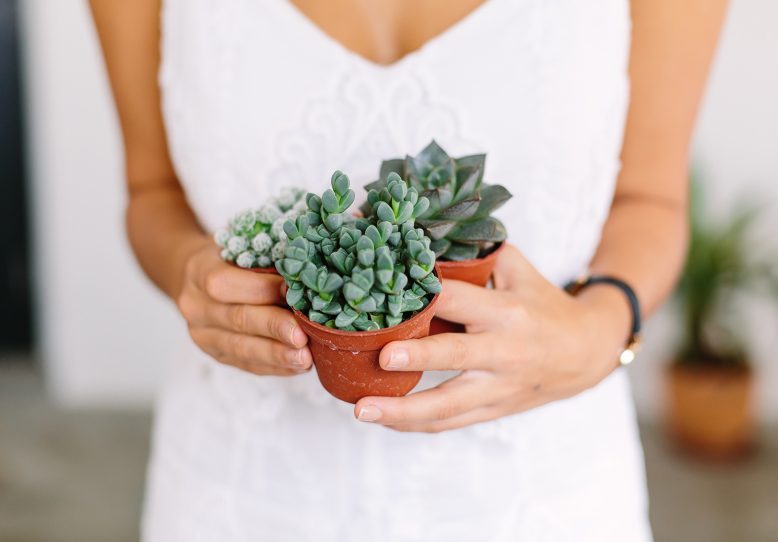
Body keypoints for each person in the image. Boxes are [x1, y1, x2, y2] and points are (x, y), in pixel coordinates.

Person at [89, 1, 727, 540]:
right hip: (242, 487)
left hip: (539, 491)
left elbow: (651, 200)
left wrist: (600, 330)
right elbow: (152, 191)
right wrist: (190, 272)